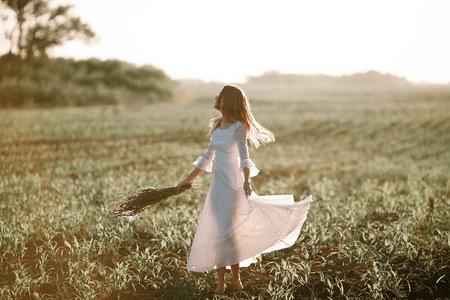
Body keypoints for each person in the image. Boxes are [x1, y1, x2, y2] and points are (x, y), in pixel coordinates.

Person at [177, 84, 312, 293]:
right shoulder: (216, 125)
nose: (215, 98)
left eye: (220, 96)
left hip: (233, 185)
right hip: (217, 187)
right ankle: (221, 282)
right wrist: (185, 181)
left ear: (227, 100)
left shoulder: (239, 126)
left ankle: (235, 277)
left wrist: (247, 182)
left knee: (229, 233)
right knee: (217, 231)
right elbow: (206, 158)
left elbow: (244, 155)